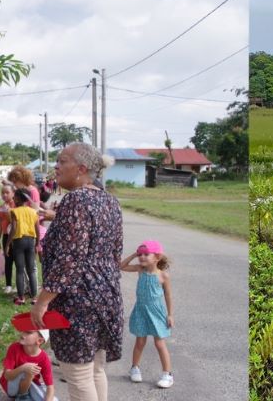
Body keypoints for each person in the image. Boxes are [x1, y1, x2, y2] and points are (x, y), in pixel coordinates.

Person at [32, 143, 123, 401]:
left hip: (78, 301)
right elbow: (115, 254)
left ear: (82, 169)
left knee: (79, 375)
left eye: (62, 161)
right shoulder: (110, 201)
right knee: (95, 369)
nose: (56, 167)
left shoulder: (76, 199)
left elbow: (69, 260)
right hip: (106, 297)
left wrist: (42, 302)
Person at [121, 242, 173, 389]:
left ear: (157, 257)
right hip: (141, 311)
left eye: (145, 254)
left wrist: (170, 315)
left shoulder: (163, 275)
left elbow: (168, 295)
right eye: (140, 254)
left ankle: (167, 374)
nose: (142, 257)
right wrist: (133, 255)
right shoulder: (140, 269)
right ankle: (135, 368)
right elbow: (121, 266)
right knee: (140, 342)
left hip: (157, 313)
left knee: (159, 343)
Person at [0, 323, 55, 401]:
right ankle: (21, 397)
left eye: (28, 332)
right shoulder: (14, 348)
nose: (22, 334)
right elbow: (7, 376)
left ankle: (23, 397)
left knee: (53, 399)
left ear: (39, 341)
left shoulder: (44, 358)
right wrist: (23, 368)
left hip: (29, 386)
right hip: (11, 387)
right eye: (23, 331)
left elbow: (50, 386)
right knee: (25, 372)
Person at [9, 189, 39, 301]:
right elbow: (37, 229)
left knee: (20, 270)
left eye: (14, 197)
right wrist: (38, 243)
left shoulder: (14, 211)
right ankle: (34, 297)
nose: (13, 199)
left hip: (19, 241)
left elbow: (14, 228)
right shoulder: (33, 212)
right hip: (31, 241)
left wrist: (8, 243)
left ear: (18, 198)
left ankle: (21, 297)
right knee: (31, 270)